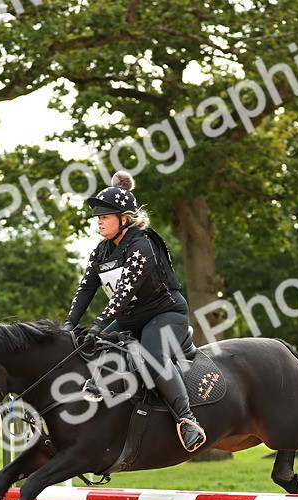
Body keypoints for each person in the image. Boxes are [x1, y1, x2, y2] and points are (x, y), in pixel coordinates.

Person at [63, 171, 206, 452]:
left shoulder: (143, 244)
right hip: (131, 318)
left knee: (152, 356)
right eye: (98, 217)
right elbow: (86, 289)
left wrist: (98, 325)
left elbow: (123, 293)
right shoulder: (101, 252)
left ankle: (187, 421)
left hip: (165, 314)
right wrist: (69, 325)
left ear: (124, 218)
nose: (99, 220)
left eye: (105, 216)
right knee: (92, 348)